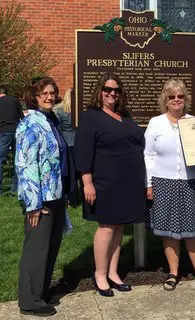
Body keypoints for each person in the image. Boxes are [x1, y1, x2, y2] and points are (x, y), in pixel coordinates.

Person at [74, 72, 146, 297]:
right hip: (105, 182)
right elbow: (83, 152)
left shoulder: (124, 115)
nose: (112, 93)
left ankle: (114, 273)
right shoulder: (91, 117)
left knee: (119, 227)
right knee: (106, 227)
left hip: (128, 182)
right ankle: (100, 275)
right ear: (99, 91)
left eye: (116, 90)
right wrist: (87, 182)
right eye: (107, 89)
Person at [144, 78, 195, 291]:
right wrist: (148, 184)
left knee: (193, 230)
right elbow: (147, 155)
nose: (176, 99)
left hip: (191, 182)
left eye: (180, 96)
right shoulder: (156, 123)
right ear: (165, 99)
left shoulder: (194, 122)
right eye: (171, 96)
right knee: (170, 231)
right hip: (163, 182)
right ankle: (173, 273)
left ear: (186, 99)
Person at [15, 77, 67, 317]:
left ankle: (41, 293)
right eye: (44, 93)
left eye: (52, 92)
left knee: (49, 248)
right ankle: (30, 301)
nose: (49, 96)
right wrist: (33, 205)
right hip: (40, 200)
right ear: (34, 97)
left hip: (55, 194)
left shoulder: (50, 121)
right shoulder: (29, 125)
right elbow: (26, 166)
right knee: (36, 250)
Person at [0, 86, 24, 195]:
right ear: (6, 92)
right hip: (17, 132)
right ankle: (15, 188)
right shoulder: (15, 100)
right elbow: (22, 117)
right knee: (18, 161)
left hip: (4, 132)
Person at [54, 88, 77, 207]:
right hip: (77, 143)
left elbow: (57, 128)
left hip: (65, 143)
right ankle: (75, 199)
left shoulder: (59, 110)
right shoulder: (79, 110)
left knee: (67, 172)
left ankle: (68, 198)